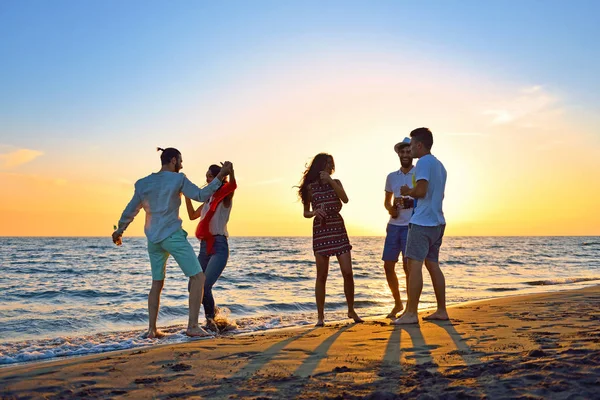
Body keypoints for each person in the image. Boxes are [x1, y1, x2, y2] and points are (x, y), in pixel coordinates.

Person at [111, 147, 232, 338]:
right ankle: (192, 326)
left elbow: (131, 209)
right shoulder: (178, 179)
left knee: (156, 283)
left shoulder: (143, 183)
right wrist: (221, 176)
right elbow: (201, 195)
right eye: (180, 161)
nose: (182, 165)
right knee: (198, 278)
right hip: (172, 236)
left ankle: (152, 330)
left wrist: (120, 230)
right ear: (174, 160)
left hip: (153, 240)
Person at [298, 153, 363, 327]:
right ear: (319, 166)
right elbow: (305, 212)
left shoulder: (337, 183)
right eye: (326, 164)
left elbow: (345, 199)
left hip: (338, 227)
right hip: (321, 229)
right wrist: (314, 212)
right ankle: (320, 317)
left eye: (331, 164)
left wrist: (331, 181)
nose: (329, 167)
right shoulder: (310, 188)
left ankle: (351, 309)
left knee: (347, 271)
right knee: (322, 275)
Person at [392, 128, 448, 325]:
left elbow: (422, 190)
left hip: (422, 221)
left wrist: (409, 191)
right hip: (438, 222)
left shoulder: (423, 162)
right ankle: (442, 310)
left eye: (412, 144)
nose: (411, 148)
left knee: (413, 266)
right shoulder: (440, 165)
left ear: (419, 145)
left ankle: (411, 313)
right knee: (433, 265)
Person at [184, 163, 237, 331]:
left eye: (209, 176)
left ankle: (210, 322)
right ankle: (215, 318)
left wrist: (230, 172)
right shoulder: (208, 200)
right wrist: (186, 196)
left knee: (204, 286)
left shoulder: (224, 198)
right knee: (193, 286)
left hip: (219, 246)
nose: (206, 179)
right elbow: (192, 215)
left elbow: (233, 186)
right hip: (204, 246)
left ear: (218, 177)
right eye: (206, 176)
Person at [382, 137, 416, 319]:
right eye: (402, 152)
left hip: (411, 226)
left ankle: (410, 307)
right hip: (393, 226)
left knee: (408, 267)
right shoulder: (391, 177)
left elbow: (424, 196)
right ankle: (397, 303)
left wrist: (411, 200)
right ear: (398, 154)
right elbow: (386, 202)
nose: (405, 155)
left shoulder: (419, 173)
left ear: (413, 153)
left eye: (408, 151)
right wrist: (391, 209)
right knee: (388, 266)